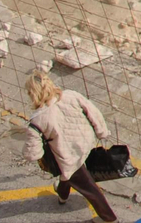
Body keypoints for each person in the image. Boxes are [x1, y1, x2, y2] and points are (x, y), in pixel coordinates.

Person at [23, 70, 118, 222]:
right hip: (85, 142)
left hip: (68, 156)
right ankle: (62, 194)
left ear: (32, 94)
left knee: (89, 189)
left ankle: (110, 219)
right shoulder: (70, 95)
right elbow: (93, 112)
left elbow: (32, 154)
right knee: (68, 175)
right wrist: (102, 132)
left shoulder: (37, 120)